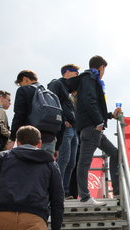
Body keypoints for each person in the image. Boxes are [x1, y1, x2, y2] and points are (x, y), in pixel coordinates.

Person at [74, 55, 121, 207]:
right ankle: (85, 197)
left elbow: (93, 105)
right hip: (92, 127)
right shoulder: (89, 78)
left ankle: (118, 191)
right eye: (104, 70)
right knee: (84, 162)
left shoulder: (90, 78)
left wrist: (109, 116)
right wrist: (99, 121)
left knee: (114, 153)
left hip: (94, 127)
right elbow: (90, 101)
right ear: (101, 67)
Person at [9, 70, 62, 156]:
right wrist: (57, 147)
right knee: (46, 168)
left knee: (27, 168)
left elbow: (19, 115)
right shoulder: (50, 94)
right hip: (50, 140)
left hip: (30, 139)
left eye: (20, 83)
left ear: (25, 79)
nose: (20, 86)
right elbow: (59, 120)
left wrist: (12, 138)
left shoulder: (24, 90)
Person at [48, 64, 80, 197]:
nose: (78, 76)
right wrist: (63, 120)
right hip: (65, 128)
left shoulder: (69, 90)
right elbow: (53, 104)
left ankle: (64, 191)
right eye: (76, 73)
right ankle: (57, 191)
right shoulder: (56, 84)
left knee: (71, 162)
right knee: (63, 159)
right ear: (67, 72)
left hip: (73, 128)